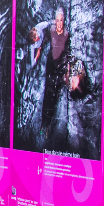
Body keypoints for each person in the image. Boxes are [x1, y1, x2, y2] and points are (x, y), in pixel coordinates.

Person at [41, 8, 71, 136]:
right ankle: (44, 122)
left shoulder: (67, 35)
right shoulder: (51, 31)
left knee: (54, 94)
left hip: (60, 67)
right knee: (47, 93)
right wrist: (38, 49)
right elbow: (42, 38)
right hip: (50, 65)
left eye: (61, 20)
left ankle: (48, 123)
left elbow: (68, 53)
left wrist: (67, 71)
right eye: (57, 20)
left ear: (64, 21)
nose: (59, 23)